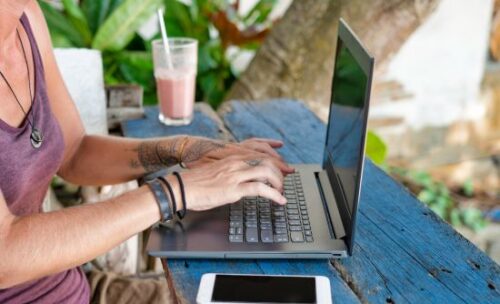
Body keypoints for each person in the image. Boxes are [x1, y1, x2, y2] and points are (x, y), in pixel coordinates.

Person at [0, 1, 294, 302]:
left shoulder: (25, 18)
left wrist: (182, 148)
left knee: (268, 295)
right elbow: (5, 253)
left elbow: (74, 151)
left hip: (72, 287)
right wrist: (177, 190)